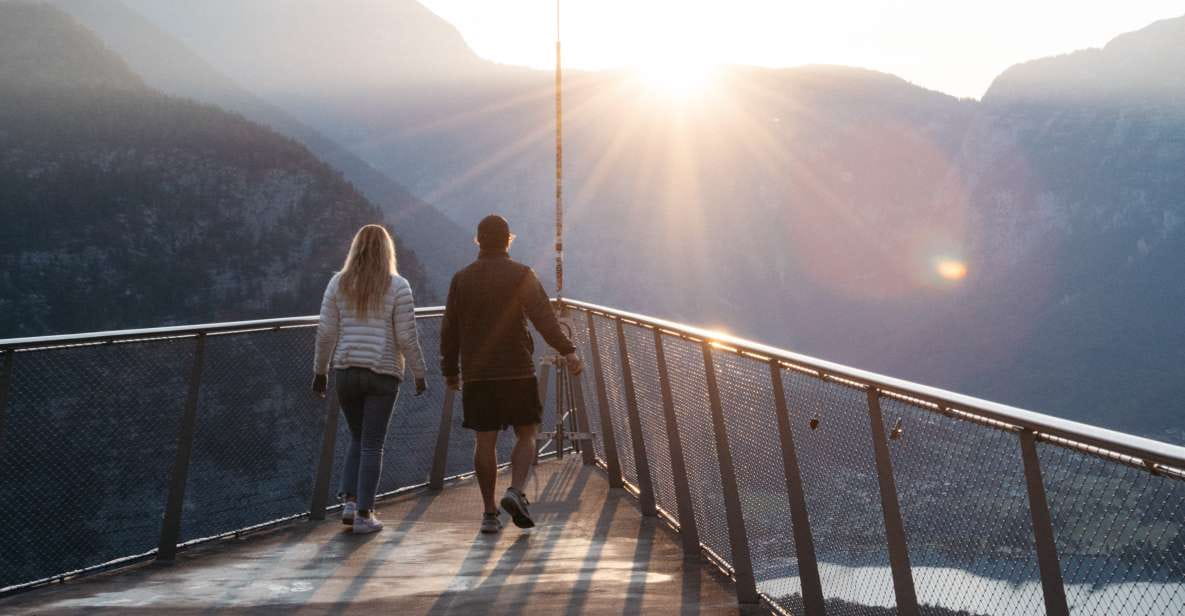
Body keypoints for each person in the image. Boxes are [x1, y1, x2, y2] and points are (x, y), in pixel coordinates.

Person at [441, 215, 582, 534]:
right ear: (509, 240)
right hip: (517, 368)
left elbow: (449, 329)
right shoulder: (522, 275)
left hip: (477, 372)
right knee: (527, 432)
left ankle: (489, 513)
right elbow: (544, 319)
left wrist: (450, 370)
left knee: (485, 441)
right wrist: (568, 350)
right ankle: (515, 491)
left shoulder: (461, 279)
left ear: (478, 240)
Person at [312, 224, 428, 534]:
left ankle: (350, 502)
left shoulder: (338, 283)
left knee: (358, 436)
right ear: (387, 251)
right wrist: (419, 372)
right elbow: (406, 335)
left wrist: (320, 371)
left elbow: (326, 332)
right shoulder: (398, 286)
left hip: (346, 372)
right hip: (382, 373)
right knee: (372, 445)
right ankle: (365, 513)